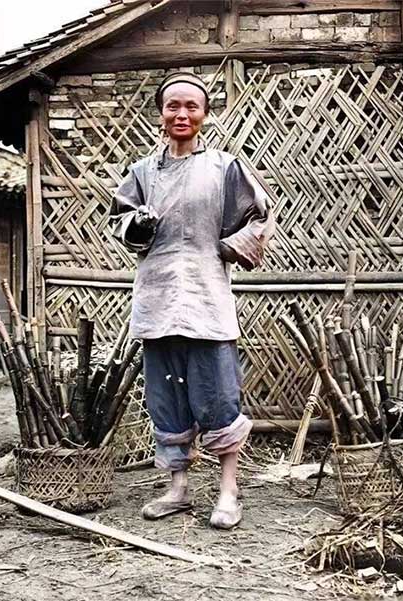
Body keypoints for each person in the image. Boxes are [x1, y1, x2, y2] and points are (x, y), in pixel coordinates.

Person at [111, 72, 274, 529]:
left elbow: (259, 217)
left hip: (206, 299)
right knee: (166, 397)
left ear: (204, 114)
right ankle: (178, 489)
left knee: (218, 396)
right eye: (172, 106)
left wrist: (229, 246)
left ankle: (228, 491)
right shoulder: (142, 173)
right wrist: (137, 225)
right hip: (158, 297)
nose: (181, 114)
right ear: (160, 112)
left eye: (191, 107)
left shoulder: (225, 167)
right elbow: (119, 222)